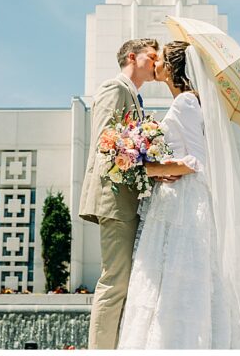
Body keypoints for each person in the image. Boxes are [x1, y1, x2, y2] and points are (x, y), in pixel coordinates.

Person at [117, 41, 240, 349]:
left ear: (171, 68)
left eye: (161, 58)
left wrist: (150, 168)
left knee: (177, 281)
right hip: (175, 199)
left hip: (183, 204)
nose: (155, 61)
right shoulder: (189, 101)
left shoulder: (185, 103)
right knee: (173, 279)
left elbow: (197, 161)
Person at [78, 37, 162, 350]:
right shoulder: (114, 88)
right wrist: (147, 165)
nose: (155, 62)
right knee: (115, 281)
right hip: (113, 199)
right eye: (151, 56)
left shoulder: (136, 98)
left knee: (126, 282)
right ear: (131, 56)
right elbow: (107, 142)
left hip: (129, 199)